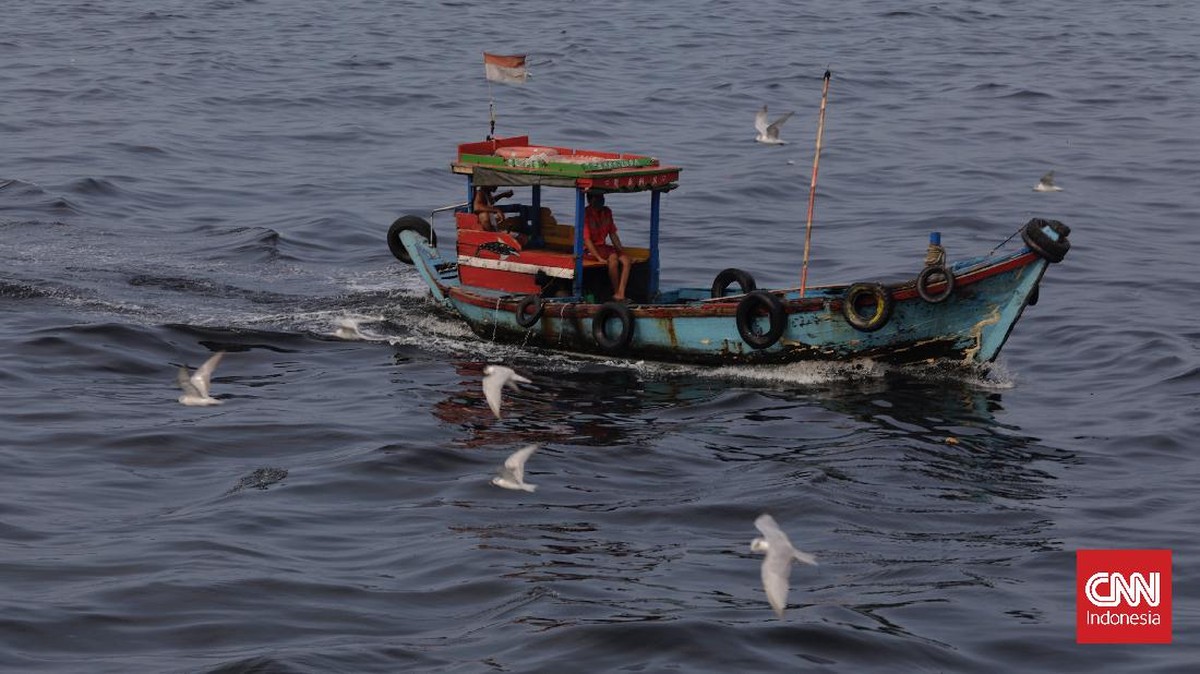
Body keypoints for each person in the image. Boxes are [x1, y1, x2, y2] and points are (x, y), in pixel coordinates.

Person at [583, 192, 633, 301]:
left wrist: (621, 251)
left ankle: (621, 293)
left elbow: (613, 234)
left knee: (626, 261)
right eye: (597, 198)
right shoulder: (585, 214)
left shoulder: (607, 212)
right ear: (590, 200)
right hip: (589, 249)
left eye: (602, 197)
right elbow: (587, 240)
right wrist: (598, 258)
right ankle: (616, 292)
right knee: (614, 259)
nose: (601, 200)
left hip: (603, 247)